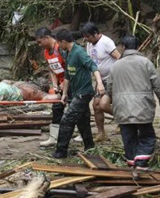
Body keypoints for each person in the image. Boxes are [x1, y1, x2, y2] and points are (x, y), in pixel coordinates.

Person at [106, 35, 160, 171]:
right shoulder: (146, 63)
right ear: (138, 46)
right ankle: (140, 163)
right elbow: (157, 86)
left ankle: (132, 164)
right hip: (143, 107)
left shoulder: (115, 66)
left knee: (128, 137)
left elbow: (109, 88)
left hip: (122, 108)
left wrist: (112, 101)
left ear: (123, 47)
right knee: (147, 136)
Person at [51, 29, 105, 159]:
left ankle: (61, 151)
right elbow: (67, 75)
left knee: (67, 119)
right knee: (82, 121)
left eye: (59, 43)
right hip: (75, 93)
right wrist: (64, 94)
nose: (58, 46)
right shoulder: (67, 53)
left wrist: (100, 83)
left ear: (63, 42)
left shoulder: (79, 52)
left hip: (84, 93)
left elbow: (93, 66)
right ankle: (89, 147)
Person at [81, 22, 121, 141]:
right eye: (85, 36)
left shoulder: (106, 42)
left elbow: (118, 57)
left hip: (112, 78)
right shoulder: (89, 44)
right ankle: (101, 133)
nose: (86, 39)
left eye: (88, 36)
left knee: (105, 104)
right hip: (100, 79)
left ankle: (124, 119)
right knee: (96, 106)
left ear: (95, 33)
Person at [35, 27, 68, 147]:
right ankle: (54, 137)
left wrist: (66, 82)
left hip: (71, 82)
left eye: (40, 41)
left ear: (47, 38)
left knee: (76, 109)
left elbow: (70, 65)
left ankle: (82, 134)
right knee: (56, 108)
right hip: (60, 84)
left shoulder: (60, 48)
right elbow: (52, 69)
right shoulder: (46, 52)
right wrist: (55, 85)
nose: (39, 45)